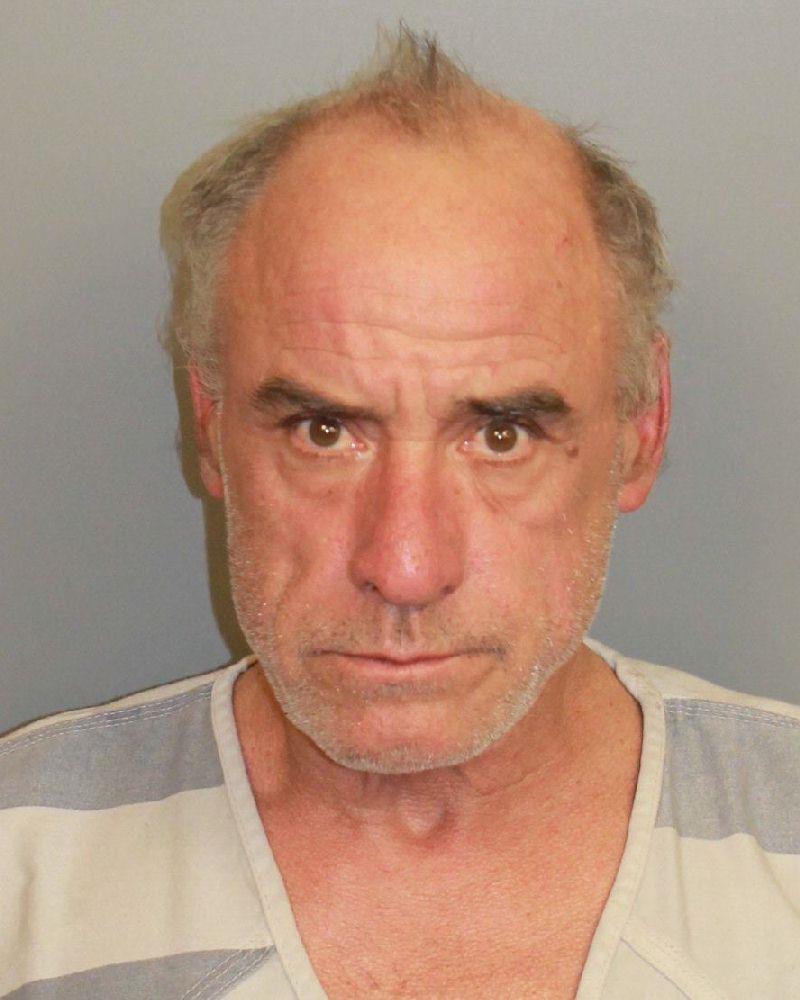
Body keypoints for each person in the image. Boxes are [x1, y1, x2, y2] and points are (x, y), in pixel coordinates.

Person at [2, 27, 798, 1000]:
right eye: (324, 431)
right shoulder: (21, 876)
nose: (405, 567)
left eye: (501, 435)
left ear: (642, 426)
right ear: (209, 426)